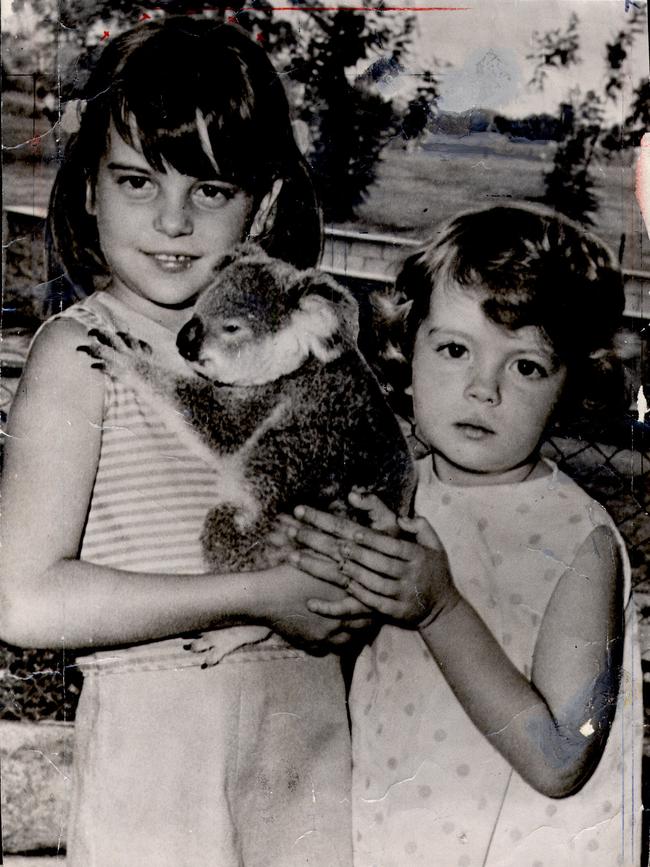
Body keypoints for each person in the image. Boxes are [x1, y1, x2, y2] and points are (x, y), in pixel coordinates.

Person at [0, 17, 366, 867]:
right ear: (88, 187)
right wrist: (258, 595)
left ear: (264, 201)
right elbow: (22, 599)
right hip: (158, 757)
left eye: (209, 190)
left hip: (307, 745)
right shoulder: (83, 353)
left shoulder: (295, 343)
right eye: (136, 181)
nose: (171, 221)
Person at [286, 205, 643, 867]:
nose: (483, 388)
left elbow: (562, 758)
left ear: (573, 385)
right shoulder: (395, 491)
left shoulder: (577, 539)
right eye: (455, 349)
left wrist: (440, 609)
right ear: (406, 349)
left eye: (527, 367)